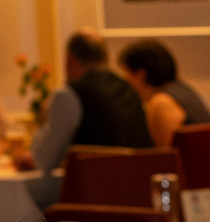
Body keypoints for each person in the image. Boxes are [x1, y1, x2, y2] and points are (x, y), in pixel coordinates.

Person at [15, 30, 152, 172]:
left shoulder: (68, 95)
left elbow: (43, 160)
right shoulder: (130, 90)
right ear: (105, 59)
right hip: (138, 181)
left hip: (94, 183)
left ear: (69, 60)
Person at [118, 39, 210, 148]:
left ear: (141, 74)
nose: (125, 80)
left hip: (197, 160)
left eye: (127, 73)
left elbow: (167, 155)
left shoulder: (161, 102)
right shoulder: (181, 89)